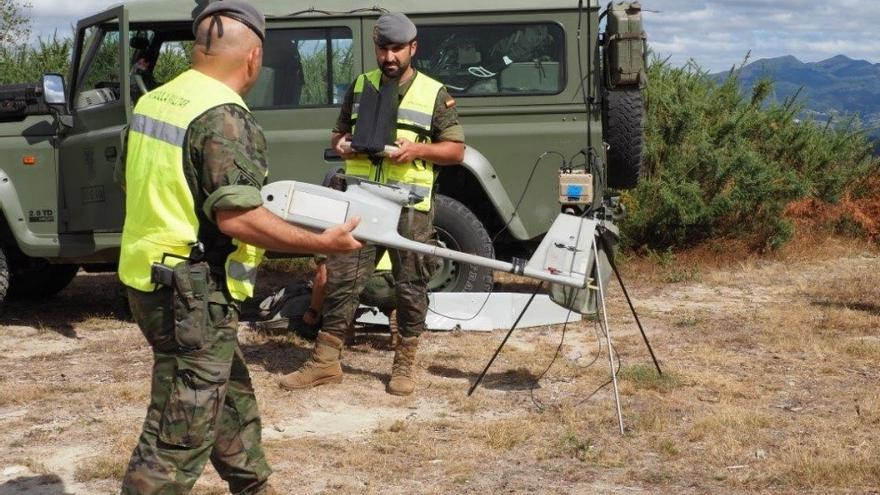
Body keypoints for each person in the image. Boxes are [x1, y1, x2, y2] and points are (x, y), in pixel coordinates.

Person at [116, 2, 362, 494]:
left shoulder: (155, 101)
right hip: (191, 294)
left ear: (196, 49)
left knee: (228, 395)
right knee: (179, 431)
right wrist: (322, 242)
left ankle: (254, 486)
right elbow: (238, 216)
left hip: (149, 282)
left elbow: (133, 182)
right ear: (253, 59)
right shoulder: (224, 117)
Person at [278, 12, 465, 396]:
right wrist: (340, 144)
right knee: (342, 279)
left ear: (413, 48)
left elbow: (456, 151)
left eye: (397, 49)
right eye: (383, 49)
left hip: (410, 207)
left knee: (411, 284)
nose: (389, 57)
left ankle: (404, 363)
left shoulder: (434, 93)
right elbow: (337, 134)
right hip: (362, 201)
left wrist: (417, 150)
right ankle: (325, 362)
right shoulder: (361, 85)